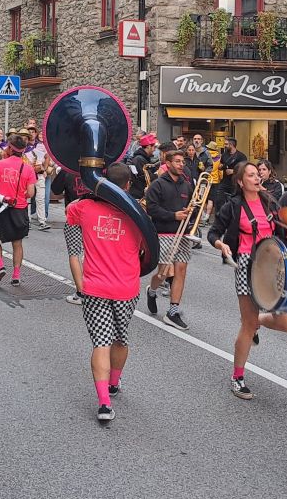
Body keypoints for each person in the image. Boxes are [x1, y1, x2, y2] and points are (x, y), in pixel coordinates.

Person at [66, 163, 145, 423]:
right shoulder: (138, 213)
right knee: (121, 338)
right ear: (128, 186)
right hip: (127, 287)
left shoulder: (85, 208)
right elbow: (147, 250)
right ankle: (113, 383)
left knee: (101, 343)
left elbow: (70, 212)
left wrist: (93, 193)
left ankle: (104, 403)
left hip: (95, 288)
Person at [210, 161, 287, 400]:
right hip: (246, 264)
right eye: (251, 175)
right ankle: (237, 377)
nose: (257, 178)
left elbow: (282, 230)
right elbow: (213, 232)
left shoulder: (270, 202)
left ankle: (256, 320)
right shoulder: (233, 206)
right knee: (247, 325)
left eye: (258, 174)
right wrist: (221, 244)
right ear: (240, 181)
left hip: (272, 263)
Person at [144, 149, 194, 330]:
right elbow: (152, 209)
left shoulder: (186, 185)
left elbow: (192, 206)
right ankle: (152, 290)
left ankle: (173, 311)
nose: (181, 165)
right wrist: (173, 215)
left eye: (183, 162)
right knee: (164, 273)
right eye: (178, 161)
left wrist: (190, 212)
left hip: (183, 234)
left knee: (181, 271)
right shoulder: (157, 185)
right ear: (168, 163)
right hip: (163, 232)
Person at [0, 133, 37, 286]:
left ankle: (1, 266)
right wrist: (21, 194)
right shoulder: (28, 168)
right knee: (17, 243)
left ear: (9, 148)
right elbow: (31, 193)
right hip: (19, 208)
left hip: (1, 207)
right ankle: (16, 275)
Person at [54, 168, 94, 305]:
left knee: (74, 254)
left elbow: (56, 190)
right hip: (93, 216)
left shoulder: (67, 170)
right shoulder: (95, 169)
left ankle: (81, 293)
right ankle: (94, 289)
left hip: (74, 217)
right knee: (93, 252)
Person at [23, 127, 50, 231]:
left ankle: (42, 221)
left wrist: (45, 169)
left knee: (40, 198)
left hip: (39, 174)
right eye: (29, 133)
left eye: (33, 132)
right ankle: (27, 220)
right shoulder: (22, 149)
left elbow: (47, 156)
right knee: (28, 198)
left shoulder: (38, 147)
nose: (31, 134)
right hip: (27, 176)